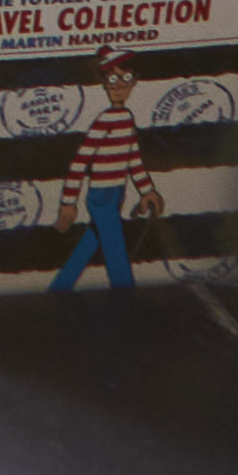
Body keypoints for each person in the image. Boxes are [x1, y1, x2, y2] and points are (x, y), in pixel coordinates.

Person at [44, 52, 165, 295]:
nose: (119, 84)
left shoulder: (126, 119)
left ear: (134, 82)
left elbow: (133, 160)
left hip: (116, 193)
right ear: (104, 83)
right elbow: (79, 162)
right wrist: (68, 203)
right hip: (100, 197)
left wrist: (147, 191)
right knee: (115, 251)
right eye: (112, 78)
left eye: (125, 77)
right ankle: (127, 299)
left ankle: (59, 288)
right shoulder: (104, 121)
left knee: (89, 245)